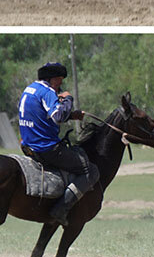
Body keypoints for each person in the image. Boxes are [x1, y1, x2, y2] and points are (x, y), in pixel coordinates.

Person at [18, 61, 99, 227]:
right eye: (60, 80)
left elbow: (42, 115)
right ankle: (60, 210)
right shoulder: (47, 92)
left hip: (28, 146)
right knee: (90, 171)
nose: (61, 84)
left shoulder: (30, 89)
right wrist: (68, 99)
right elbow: (58, 116)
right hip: (47, 149)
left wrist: (72, 115)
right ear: (52, 79)